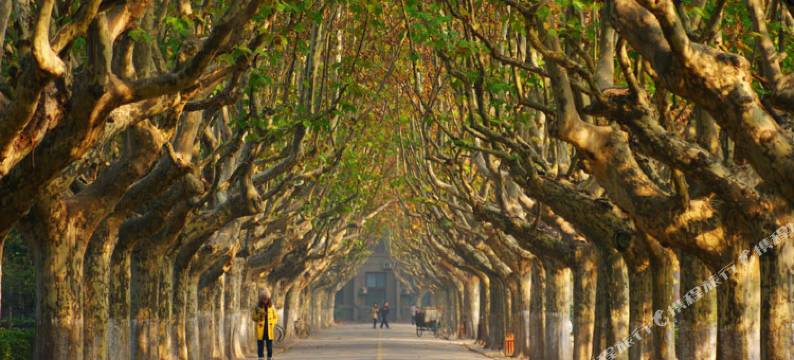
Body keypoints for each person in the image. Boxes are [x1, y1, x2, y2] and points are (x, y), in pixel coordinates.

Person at [252, 290, 278, 360]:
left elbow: (276, 317)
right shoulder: (257, 306)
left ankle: (269, 357)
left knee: (269, 347)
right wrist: (260, 315)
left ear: (268, 299)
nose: (265, 300)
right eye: (263, 299)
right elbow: (253, 317)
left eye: (266, 299)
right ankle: (260, 358)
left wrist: (272, 323)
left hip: (269, 329)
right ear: (261, 298)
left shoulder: (272, 306)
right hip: (260, 329)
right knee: (260, 346)